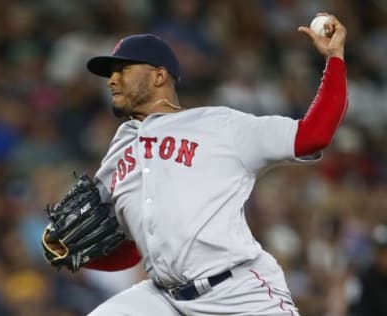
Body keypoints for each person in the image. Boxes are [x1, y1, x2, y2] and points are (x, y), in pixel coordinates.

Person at [81, 13, 348, 316]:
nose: (112, 79)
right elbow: (124, 247)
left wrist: (334, 59)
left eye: (123, 70)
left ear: (159, 76)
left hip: (238, 292)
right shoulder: (121, 145)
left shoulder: (219, 126)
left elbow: (314, 134)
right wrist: (69, 249)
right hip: (164, 297)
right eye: (111, 73)